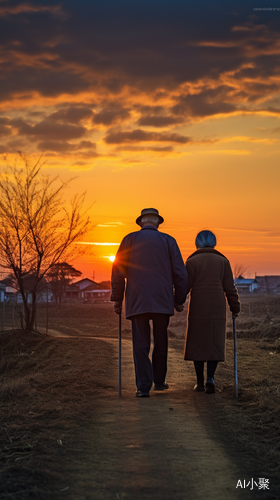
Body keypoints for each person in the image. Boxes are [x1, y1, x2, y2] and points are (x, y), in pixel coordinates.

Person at [111, 208, 188, 397]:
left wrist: (117, 299)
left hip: (137, 301)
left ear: (141, 223)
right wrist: (178, 300)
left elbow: (118, 271)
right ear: (158, 223)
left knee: (140, 344)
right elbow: (181, 275)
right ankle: (159, 381)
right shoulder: (169, 241)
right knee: (161, 341)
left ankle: (143, 387)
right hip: (163, 300)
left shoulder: (129, 240)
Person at [184, 230, 240, 394]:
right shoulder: (223, 261)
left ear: (197, 243)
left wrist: (177, 302)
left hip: (198, 307)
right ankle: (211, 379)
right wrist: (234, 307)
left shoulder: (192, 261)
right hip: (216, 308)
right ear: (214, 243)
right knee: (214, 342)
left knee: (198, 343)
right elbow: (230, 288)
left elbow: (185, 286)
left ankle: (200, 383)